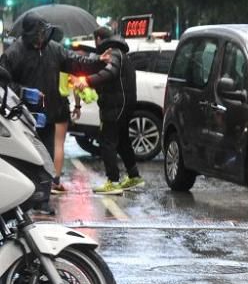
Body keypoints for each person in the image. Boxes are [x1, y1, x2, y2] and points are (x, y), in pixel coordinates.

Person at [0, 13, 102, 214]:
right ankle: (23, 198)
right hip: (20, 118)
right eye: (37, 34)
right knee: (25, 159)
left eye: (43, 33)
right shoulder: (15, 53)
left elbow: (75, 61)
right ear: (29, 34)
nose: (40, 38)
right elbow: (4, 81)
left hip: (48, 116)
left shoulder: (54, 50)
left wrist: (99, 61)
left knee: (45, 157)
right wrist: (23, 92)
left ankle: (43, 199)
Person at [73, 27, 143, 195]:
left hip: (115, 106)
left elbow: (110, 73)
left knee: (107, 142)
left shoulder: (114, 53)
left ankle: (113, 181)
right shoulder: (120, 52)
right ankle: (134, 176)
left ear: (98, 38)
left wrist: (87, 81)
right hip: (124, 105)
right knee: (123, 141)